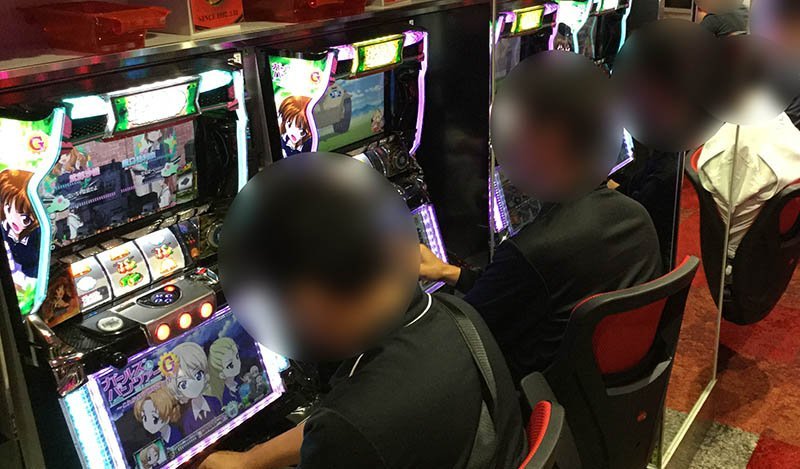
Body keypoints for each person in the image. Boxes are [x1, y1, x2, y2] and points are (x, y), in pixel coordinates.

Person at [200, 153, 525, 469]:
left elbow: (348, 429)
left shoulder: (352, 427)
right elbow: (338, 424)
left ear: (310, 297)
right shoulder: (456, 315)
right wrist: (251, 459)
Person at [421, 52, 663, 382]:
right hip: (606, 385)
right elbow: (511, 291)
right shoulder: (634, 215)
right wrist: (447, 272)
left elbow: (458, 331)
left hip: (533, 395)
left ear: (550, 141)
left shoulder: (533, 252)